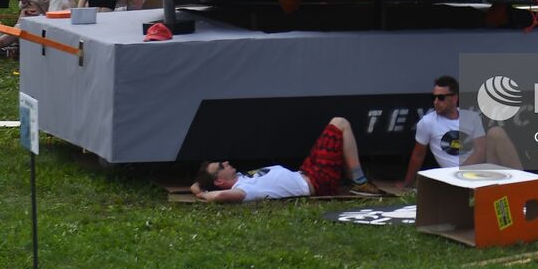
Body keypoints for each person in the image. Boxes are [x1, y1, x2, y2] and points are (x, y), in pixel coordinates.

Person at [193, 117, 381, 202]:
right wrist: (203, 195)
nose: (225, 162)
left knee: (338, 129)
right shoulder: (243, 190)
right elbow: (221, 196)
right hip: (316, 181)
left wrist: (198, 188)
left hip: (305, 172)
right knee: (340, 124)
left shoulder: (240, 178)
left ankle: (354, 178)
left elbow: (197, 185)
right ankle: (360, 183)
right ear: (219, 180)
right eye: (221, 166)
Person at [402, 76, 520, 188]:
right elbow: (418, 155)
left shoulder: (471, 117)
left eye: (441, 98)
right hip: (455, 177)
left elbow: (481, 150)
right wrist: (407, 183)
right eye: (434, 98)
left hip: (480, 169)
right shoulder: (427, 122)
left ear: (454, 98)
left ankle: (523, 184)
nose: (436, 102)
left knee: (496, 132)